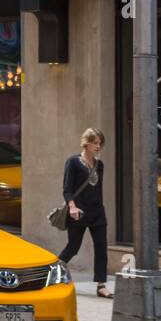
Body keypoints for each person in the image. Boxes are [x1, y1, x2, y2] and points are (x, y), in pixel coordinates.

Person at [58, 127, 111, 298]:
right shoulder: (73, 162)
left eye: (100, 143)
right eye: (95, 143)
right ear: (86, 143)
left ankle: (101, 284)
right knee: (73, 247)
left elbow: (98, 190)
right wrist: (72, 207)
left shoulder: (99, 165)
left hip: (97, 213)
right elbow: (67, 190)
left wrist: (100, 210)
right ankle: (54, 271)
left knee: (101, 248)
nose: (98, 147)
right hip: (78, 212)